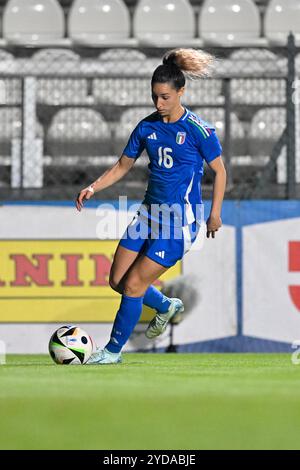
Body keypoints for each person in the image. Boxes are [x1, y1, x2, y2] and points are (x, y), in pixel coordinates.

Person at [76, 48, 227, 365]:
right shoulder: (147, 127)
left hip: (178, 223)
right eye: (155, 97)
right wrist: (93, 187)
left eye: (165, 97)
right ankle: (165, 306)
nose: (159, 104)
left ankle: (112, 352)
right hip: (148, 214)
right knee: (117, 281)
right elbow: (122, 165)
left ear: (181, 92)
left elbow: (221, 171)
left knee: (133, 285)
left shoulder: (199, 130)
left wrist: (215, 213)